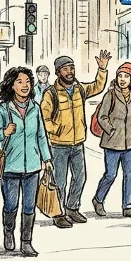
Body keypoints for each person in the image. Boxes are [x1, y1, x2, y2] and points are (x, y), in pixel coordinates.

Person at [0, 66, 53, 257]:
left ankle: (26, 242)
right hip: (10, 166)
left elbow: (41, 135)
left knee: (29, 206)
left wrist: (47, 158)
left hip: (33, 166)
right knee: (11, 205)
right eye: (20, 82)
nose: (25, 85)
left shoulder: (35, 107)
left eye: (27, 82)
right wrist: (4, 132)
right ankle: (8, 232)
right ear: (11, 85)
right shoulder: (3, 108)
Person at [41, 52, 110, 228]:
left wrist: (102, 69)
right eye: (66, 69)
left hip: (78, 143)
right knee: (60, 181)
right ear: (58, 72)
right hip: (59, 146)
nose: (70, 72)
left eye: (71, 68)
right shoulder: (51, 94)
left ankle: (72, 208)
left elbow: (97, 87)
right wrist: (55, 129)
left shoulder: (79, 89)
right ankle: (59, 213)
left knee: (80, 177)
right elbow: (44, 118)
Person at [92, 62, 131, 219]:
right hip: (112, 143)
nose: (122, 79)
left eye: (126, 76)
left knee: (130, 175)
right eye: (120, 76)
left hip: (129, 143)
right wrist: (111, 130)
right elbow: (101, 117)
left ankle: (128, 206)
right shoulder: (110, 95)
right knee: (111, 175)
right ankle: (98, 199)